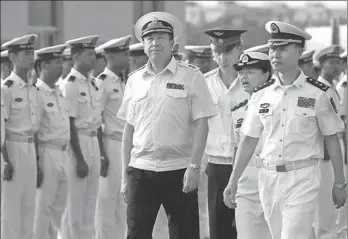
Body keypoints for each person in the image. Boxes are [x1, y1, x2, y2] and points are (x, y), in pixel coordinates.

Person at [223, 20, 347, 239]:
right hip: (268, 179)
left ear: (299, 51)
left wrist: (339, 182)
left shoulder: (317, 93)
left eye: (282, 48)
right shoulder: (262, 94)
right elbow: (248, 140)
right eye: (272, 48)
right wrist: (233, 181)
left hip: (303, 178)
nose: (275, 54)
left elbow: (331, 138)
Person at [117, 11, 217, 239]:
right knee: (136, 233)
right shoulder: (134, 80)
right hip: (141, 169)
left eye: (161, 37)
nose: (155, 43)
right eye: (150, 38)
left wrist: (194, 167)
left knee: (184, 233)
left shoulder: (191, 77)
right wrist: (125, 175)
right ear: (143, 45)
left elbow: (202, 123)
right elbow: (129, 129)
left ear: (172, 43)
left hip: (178, 169)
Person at [202, 26, 249, 239]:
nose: (222, 57)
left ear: (240, 48)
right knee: (218, 228)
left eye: (228, 51)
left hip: (248, 164)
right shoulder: (204, 83)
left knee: (248, 226)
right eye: (217, 52)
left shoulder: (253, 82)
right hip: (217, 164)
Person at [60, 35, 104, 239]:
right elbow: (69, 123)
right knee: (74, 203)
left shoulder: (94, 83)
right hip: (78, 143)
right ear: (76, 56)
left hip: (93, 141)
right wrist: (79, 158)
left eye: (94, 53)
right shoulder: (70, 84)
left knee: (90, 201)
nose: (93, 57)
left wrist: (101, 154)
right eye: (88, 54)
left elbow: (99, 121)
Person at [1, 34, 42, 239]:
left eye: (32, 52)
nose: (31, 57)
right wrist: (5, 161)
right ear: (13, 57)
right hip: (13, 148)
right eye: (26, 53)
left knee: (29, 206)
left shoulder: (33, 89)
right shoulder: (6, 88)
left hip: (30, 149)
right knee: (10, 208)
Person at [229, 51, 273, 239]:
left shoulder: (279, 104)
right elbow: (237, 149)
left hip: (273, 178)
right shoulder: (238, 110)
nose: (243, 77)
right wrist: (233, 181)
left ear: (266, 74)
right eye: (241, 72)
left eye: (250, 72)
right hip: (246, 184)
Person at [94, 35, 131, 239]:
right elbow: (96, 119)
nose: (127, 57)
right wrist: (101, 154)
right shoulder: (102, 83)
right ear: (110, 56)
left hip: (126, 147)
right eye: (123, 54)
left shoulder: (125, 81)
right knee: (107, 200)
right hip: (110, 145)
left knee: (123, 200)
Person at [33, 44, 70, 239]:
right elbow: (34, 131)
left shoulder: (59, 92)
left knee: (58, 206)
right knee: (43, 207)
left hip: (62, 154)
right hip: (46, 154)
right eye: (57, 62)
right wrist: (37, 163)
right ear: (44, 65)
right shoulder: (37, 93)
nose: (61, 66)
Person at [313, 45, 346, 239]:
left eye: (339, 61)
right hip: (325, 152)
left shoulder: (333, 88)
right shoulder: (319, 90)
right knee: (324, 204)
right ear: (321, 66)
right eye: (332, 62)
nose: (337, 66)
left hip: (336, 147)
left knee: (335, 204)